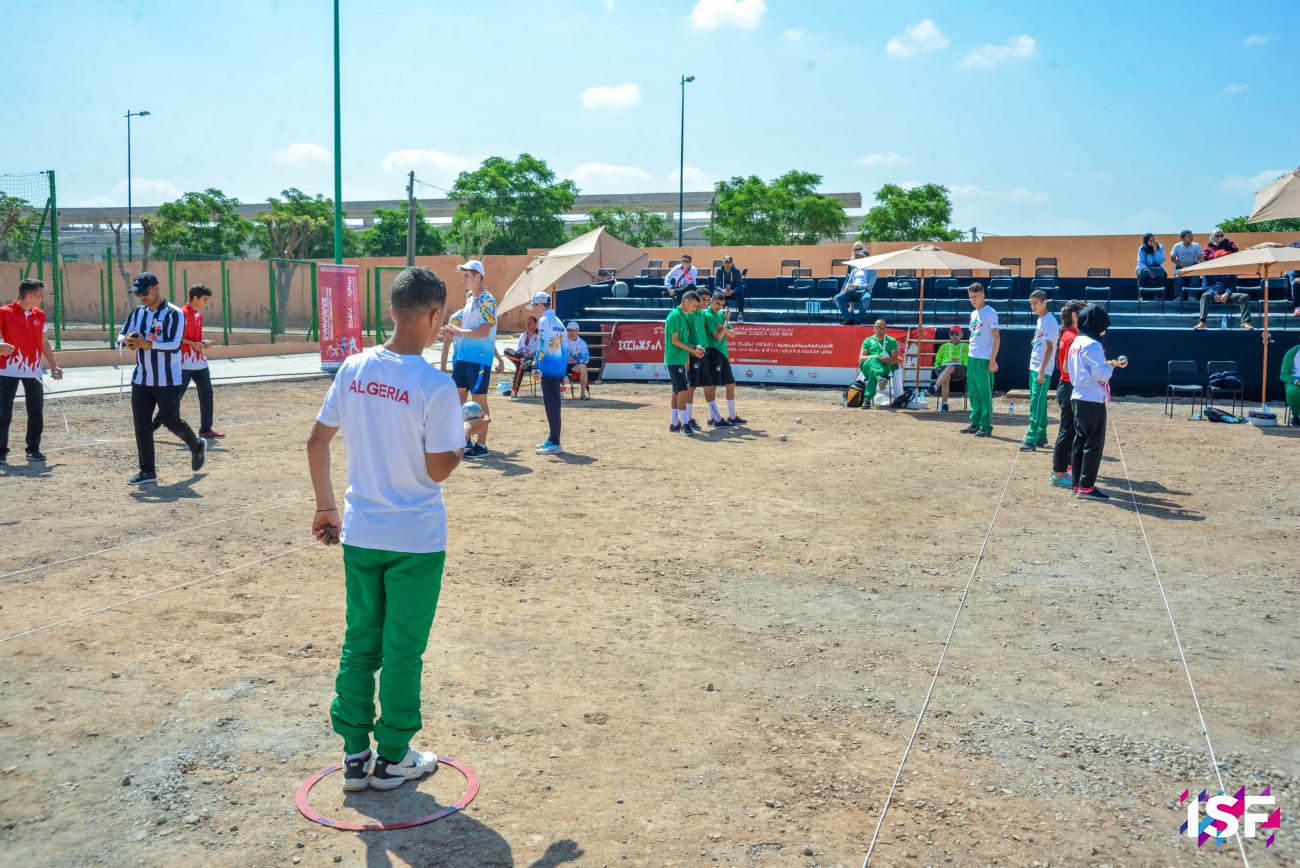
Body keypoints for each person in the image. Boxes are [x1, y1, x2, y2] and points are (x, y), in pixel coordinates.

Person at [306, 265, 467, 794]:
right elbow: (439, 468)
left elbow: (317, 442)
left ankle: (354, 755)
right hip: (416, 539)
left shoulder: (352, 368)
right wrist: (466, 437)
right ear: (435, 315)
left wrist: (326, 507)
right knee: (402, 650)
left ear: (392, 310)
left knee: (360, 642)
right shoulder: (436, 386)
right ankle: (394, 756)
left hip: (361, 531)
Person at [118, 272, 206, 485]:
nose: (142, 297)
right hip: (141, 379)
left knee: (171, 421)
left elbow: (174, 345)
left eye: (145, 293)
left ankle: (196, 445)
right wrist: (126, 341)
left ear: (156, 288)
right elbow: (121, 336)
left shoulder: (174, 314)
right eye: (138, 294)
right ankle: (148, 471)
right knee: (141, 424)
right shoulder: (137, 313)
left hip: (168, 380)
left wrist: (146, 343)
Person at [1067, 304, 1127, 500]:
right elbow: (1100, 374)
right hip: (1092, 399)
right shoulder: (1093, 344)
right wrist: (1111, 368)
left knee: (1079, 441)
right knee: (1093, 444)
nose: (1104, 329)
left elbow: (1077, 368)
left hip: (1078, 396)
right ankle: (1086, 486)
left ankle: (1077, 484)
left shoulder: (1077, 341)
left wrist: (1107, 364)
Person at [0, 277, 62, 465]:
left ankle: (33, 448)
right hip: (6, 370)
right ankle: (1, 451)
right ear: (29, 295)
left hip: (33, 370)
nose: (43, 298)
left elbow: (44, 342)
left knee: (36, 410)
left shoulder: (40, 315)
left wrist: (53, 365)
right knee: (3, 411)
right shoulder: (4, 312)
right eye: (40, 295)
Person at [151, 284, 223, 440]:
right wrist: (192, 343)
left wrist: (202, 342)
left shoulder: (198, 315)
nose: (206, 302)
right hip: (182, 363)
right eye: (204, 299)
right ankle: (153, 425)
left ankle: (205, 429)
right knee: (175, 397)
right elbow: (173, 337)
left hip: (199, 362)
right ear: (195, 298)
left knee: (207, 393)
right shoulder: (180, 314)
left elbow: (195, 338)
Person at [443, 260, 497, 457]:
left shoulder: (487, 300)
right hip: (464, 357)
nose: (463, 279)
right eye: (463, 275)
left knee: (479, 398)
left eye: (467, 275)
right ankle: (463, 440)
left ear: (478, 277)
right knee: (460, 397)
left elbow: (484, 330)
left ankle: (481, 445)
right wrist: (448, 329)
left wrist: (459, 331)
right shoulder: (470, 300)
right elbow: (458, 324)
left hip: (480, 357)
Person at [1049, 300, 1085, 489]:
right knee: (1067, 431)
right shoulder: (1073, 336)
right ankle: (1059, 473)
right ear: (1074, 316)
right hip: (1069, 385)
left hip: (1065, 385)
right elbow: (1065, 367)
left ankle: (1062, 469)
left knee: (1068, 431)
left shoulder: (1067, 334)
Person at [1020, 289, 1060, 453]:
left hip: (1041, 369)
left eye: (1035, 303)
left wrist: (1042, 371)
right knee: (1040, 403)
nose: (1033, 307)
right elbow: (1042, 342)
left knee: (1036, 403)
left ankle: (1031, 439)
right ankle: (1042, 436)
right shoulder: (1040, 320)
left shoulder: (1050, 321)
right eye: (1031, 304)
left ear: (1045, 303)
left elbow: (1050, 349)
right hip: (1034, 367)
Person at [960, 282, 999, 437]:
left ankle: (986, 426)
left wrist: (992, 360)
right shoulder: (973, 314)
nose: (973, 300)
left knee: (985, 393)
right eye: (970, 297)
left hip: (984, 358)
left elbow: (997, 338)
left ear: (983, 295)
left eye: (975, 296)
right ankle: (975, 423)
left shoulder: (990, 312)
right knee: (974, 392)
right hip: (973, 358)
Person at [664, 290, 706, 436]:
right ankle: (684, 424)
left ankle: (675, 423)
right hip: (674, 359)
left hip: (679, 359)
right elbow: (675, 340)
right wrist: (693, 352)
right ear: (686, 302)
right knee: (682, 390)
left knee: (677, 391)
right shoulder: (675, 316)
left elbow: (683, 339)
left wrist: (691, 352)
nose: (695, 309)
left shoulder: (683, 316)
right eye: (694, 306)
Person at [530, 293, 567, 455]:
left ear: (539, 305)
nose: (533, 311)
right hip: (558, 369)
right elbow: (564, 349)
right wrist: (563, 372)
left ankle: (554, 441)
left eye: (534, 307)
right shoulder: (559, 322)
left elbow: (542, 345)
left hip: (549, 369)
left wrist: (536, 365)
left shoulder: (544, 321)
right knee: (554, 406)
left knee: (551, 406)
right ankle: (553, 438)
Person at [702, 291, 745, 426]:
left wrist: (724, 327)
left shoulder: (721, 314)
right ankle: (712, 418)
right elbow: (718, 337)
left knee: (731, 384)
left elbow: (733, 334)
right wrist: (726, 322)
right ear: (711, 301)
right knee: (712, 386)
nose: (719, 307)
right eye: (717, 303)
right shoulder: (708, 315)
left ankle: (732, 416)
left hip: (723, 353)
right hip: (713, 352)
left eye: (721, 304)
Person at [858, 318, 902, 408]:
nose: (879, 329)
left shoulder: (892, 341)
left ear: (885, 328)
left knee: (872, 372)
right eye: (877, 327)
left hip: (884, 367)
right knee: (873, 361)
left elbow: (894, 359)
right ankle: (879, 379)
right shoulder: (867, 341)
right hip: (867, 366)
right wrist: (875, 357)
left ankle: (867, 400)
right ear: (874, 328)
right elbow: (861, 358)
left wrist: (883, 360)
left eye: (882, 327)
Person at [928, 324, 967, 413]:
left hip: (960, 369)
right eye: (952, 334)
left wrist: (961, 361)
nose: (954, 336)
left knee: (949, 368)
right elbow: (937, 361)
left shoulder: (966, 346)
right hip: (944, 369)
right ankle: (944, 405)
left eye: (957, 334)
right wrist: (937, 368)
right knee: (947, 375)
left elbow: (969, 360)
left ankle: (935, 387)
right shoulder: (943, 346)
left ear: (961, 335)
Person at [835, 242, 876, 325]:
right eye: (859, 257)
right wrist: (846, 287)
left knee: (866, 299)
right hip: (852, 291)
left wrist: (856, 286)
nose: (860, 258)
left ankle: (858, 319)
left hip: (864, 292)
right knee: (837, 298)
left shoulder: (872, 270)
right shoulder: (854, 270)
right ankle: (848, 319)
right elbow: (849, 281)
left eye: (862, 257)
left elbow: (870, 286)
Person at [503, 315, 539, 397]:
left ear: (535, 324)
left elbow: (539, 351)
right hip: (520, 358)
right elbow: (519, 350)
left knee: (521, 365)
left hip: (532, 361)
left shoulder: (540, 335)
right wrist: (521, 355)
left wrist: (528, 356)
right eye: (527, 323)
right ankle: (522, 360)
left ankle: (514, 391)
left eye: (530, 323)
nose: (528, 325)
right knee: (506, 351)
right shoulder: (523, 336)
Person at [1169, 230, 1203, 298]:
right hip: (1180, 265)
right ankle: (1178, 296)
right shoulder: (1177, 246)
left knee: (1195, 277)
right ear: (1182, 238)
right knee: (1178, 277)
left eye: (1192, 236)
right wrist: (1183, 266)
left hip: (1193, 265)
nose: (1191, 238)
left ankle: (1192, 296)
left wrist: (1202, 267)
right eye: (1189, 236)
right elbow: (1173, 259)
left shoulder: (1196, 246)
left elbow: (1201, 258)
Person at [564, 321, 591, 400]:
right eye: (568, 330)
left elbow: (586, 358)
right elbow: (558, 353)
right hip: (562, 363)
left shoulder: (582, 343)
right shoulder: (562, 340)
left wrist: (577, 361)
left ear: (577, 331)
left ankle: (582, 394)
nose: (570, 332)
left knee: (583, 367)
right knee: (566, 380)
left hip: (574, 365)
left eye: (572, 330)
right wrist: (566, 358)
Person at [1280, 341, 1300, 428]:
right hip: (1294, 380)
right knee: (1292, 391)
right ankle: (1296, 417)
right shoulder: (1292, 352)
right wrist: (1296, 381)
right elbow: (1284, 374)